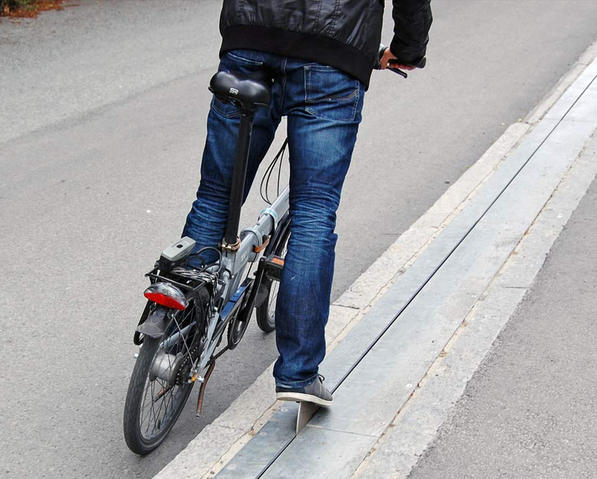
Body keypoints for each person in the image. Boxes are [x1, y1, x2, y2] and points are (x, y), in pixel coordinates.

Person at [182, 0, 432, 406]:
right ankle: (298, 376)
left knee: (215, 197)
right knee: (314, 212)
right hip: (333, 56)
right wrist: (408, 49)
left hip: (250, 40)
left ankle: (179, 334)